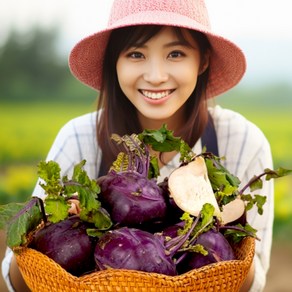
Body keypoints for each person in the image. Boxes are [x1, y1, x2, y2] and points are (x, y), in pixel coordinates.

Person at [2, 0, 274, 291]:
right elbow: (15, 279)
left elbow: (253, 282)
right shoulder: (79, 138)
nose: (156, 76)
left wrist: (217, 231)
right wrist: (59, 222)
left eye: (175, 53)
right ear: (114, 62)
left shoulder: (243, 142)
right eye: (135, 54)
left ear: (203, 60)